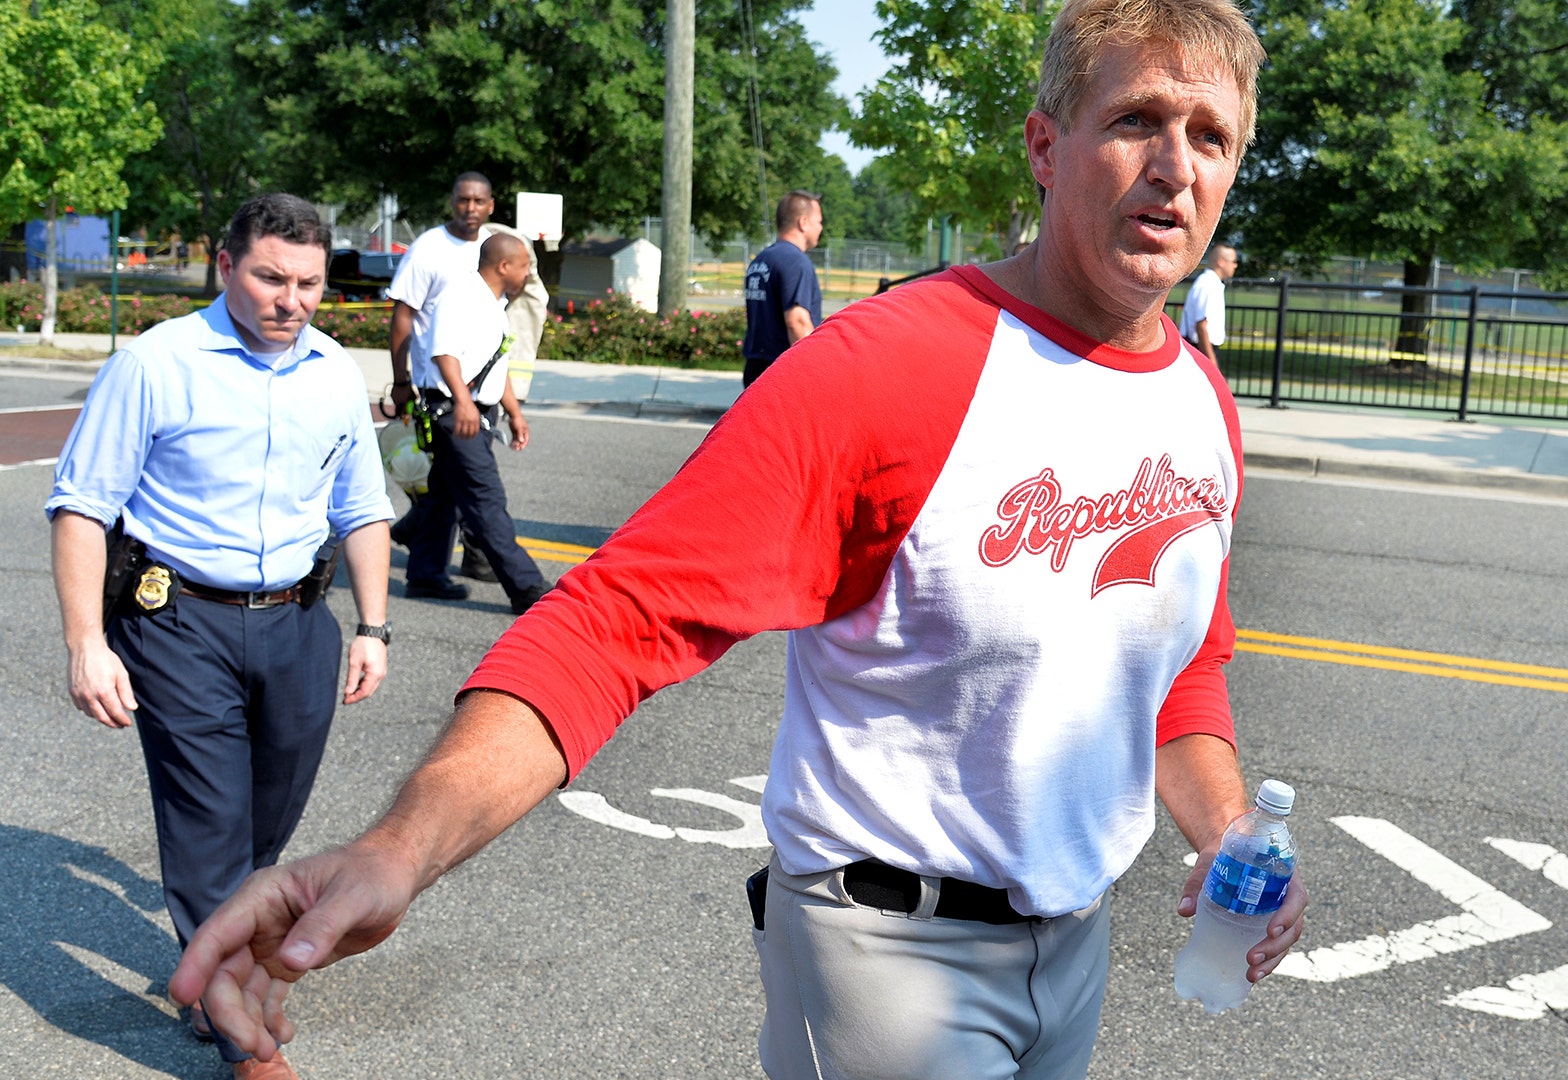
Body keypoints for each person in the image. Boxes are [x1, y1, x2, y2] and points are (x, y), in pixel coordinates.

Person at [172, 2, 1307, 1078]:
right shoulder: (892, 368)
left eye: (1210, 135)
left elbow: (1180, 668)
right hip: (893, 958)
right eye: (1136, 122)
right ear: (1046, 146)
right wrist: (397, 851)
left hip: (1078, 945)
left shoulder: (1199, 404)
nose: (1175, 166)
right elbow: (617, 622)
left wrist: (1224, 832)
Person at [50, 193, 393, 1080]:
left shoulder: (331, 374)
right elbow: (84, 505)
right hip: (180, 624)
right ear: (225, 266)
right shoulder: (159, 363)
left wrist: (373, 626)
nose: (293, 300)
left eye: (310, 284)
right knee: (209, 822)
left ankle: (224, 959)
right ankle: (242, 1031)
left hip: (298, 627)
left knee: (264, 830)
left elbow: (360, 509)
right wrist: (87, 641)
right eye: (272, 278)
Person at [386, 172, 551, 591]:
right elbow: (443, 352)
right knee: (486, 503)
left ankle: (425, 575)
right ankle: (528, 589)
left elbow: (494, 364)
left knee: (443, 497)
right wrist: (461, 402)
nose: (528, 274)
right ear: (504, 266)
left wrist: (513, 412)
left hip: (471, 408)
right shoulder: (460, 294)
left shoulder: (491, 302)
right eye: (525, 266)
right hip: (455, 412)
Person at [741, 190, 824, 387]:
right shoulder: (796, 262)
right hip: (782, 373)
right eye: (819, 221)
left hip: (755, 369)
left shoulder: (761, 260)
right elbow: (797, 321)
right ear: (803, 222)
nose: (821, 227)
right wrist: (815, 371)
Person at [1177, 242, 1236, 367]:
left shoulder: (1211, 283)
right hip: (1200, 349)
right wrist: (1211, 363)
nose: (1235, 265)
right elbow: (1201, 326)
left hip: (1202, 348)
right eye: (1233, 261)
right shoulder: (1208, 285)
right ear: (1221, 261)